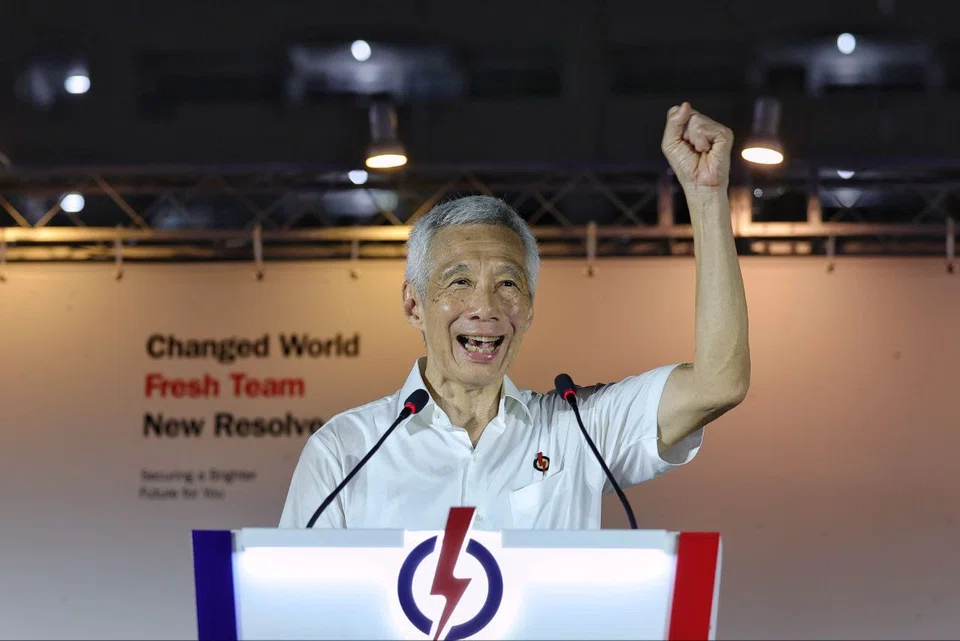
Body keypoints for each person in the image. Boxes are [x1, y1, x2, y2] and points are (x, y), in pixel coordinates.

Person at [279, 102, 750, 529]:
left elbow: (718, 384)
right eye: (459, 282)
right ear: (413, 305)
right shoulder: (344, 451)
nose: (485, 307)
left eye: (507, 284)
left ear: (529, 309)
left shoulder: (576, 430)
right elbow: (292, 592)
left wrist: (706, 196)